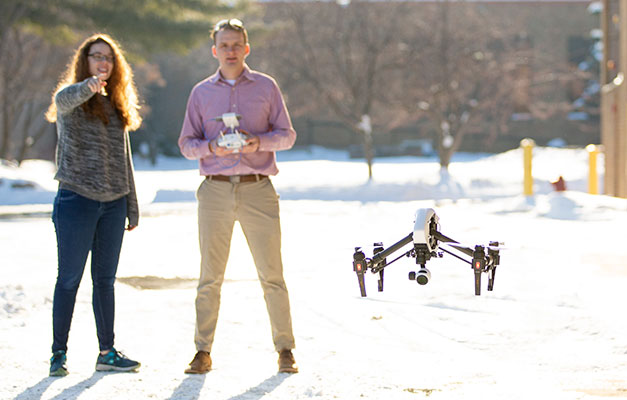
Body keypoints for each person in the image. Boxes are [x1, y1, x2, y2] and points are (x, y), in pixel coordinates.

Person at [178, 18, 298, 374]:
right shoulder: (201, 93)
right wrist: (210, 146)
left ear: (247, 48)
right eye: (224, 45)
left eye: (236, 45)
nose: (230, 51)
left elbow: (288, 135)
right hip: (214, 190)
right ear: (215, 50)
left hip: (258, 188)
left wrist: (258, 141)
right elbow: (186, 144)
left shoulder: (266, 87)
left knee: (271, 274)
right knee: (210, 276)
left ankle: (285, 349)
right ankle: (202, 351)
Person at [45, 33, 142, 376]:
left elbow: (124, 158)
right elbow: (63, 100)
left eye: (109, 58)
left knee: (105, 280)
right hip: (76, 200)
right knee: (69, 279)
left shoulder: (117, 105)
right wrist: (88, 86)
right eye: (96, 56)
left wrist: (131, 204)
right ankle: (59, 353)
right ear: (84, 62)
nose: (103, 62)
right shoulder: (72, 98)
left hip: (113, 203)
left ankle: (107, 351)